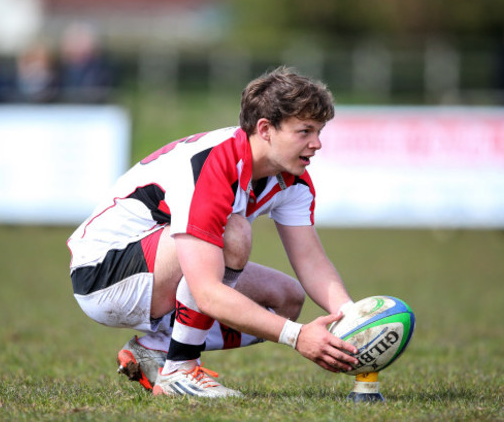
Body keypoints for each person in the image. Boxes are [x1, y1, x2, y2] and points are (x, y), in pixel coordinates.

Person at [67, 66, 359, 398]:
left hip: (153, 264)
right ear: (265, 129)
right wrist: (297, 337)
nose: (317, 143)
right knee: (233, 232)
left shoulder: (292, 177)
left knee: (286, 300)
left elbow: (311, 261)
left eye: (319, 131)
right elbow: (206, 291)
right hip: (103, 273)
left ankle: (156, 349)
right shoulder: (214, 161)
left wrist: (353, 317)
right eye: (305, 131)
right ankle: (180, 369)